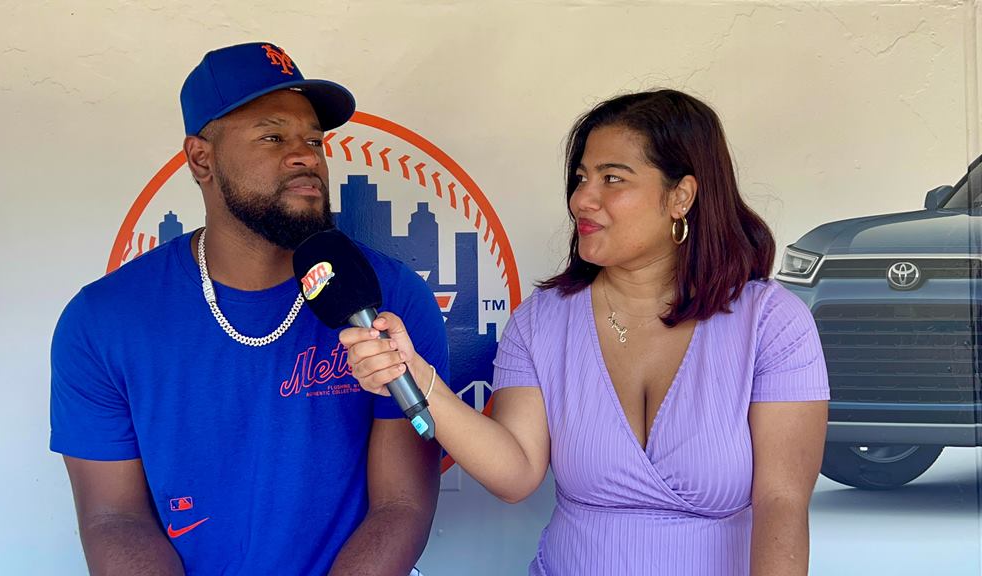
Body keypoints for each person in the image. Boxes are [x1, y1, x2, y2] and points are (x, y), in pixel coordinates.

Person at [342, 89, 829, 576]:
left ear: (681, 195)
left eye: (612, 178)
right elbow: (515, 473)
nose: (582, 200)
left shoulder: (772, 323)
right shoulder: (541, 320)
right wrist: (418, 376)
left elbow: (781, 503)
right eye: (580, 179)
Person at [50, 42, 448, 576]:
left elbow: (402, 506)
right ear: (201, 158)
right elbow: (113, 517)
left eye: (313, 139)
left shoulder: (388, 297)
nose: (306, 154)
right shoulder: (102, 320)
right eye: (272, 135)